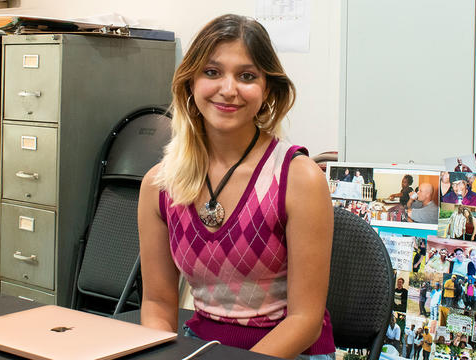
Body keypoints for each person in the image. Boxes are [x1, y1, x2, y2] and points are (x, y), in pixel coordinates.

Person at [137, 14, 335, 360]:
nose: (228, 90)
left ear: (267, 90)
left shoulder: (300, 179)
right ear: (190, 83)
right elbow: (157, 303)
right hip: (202, 346)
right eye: (212, 72)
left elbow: (306, 321)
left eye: (246, 76)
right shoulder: (158, 185)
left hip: (292, 351)